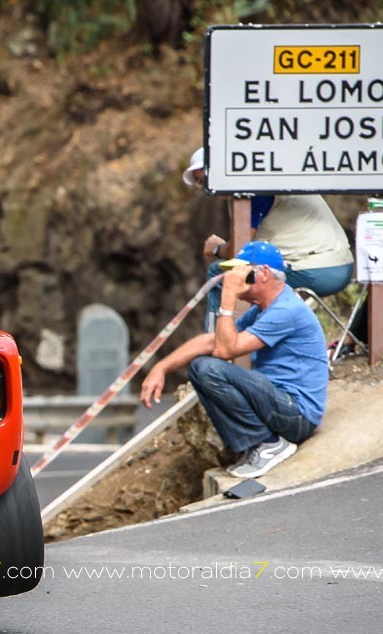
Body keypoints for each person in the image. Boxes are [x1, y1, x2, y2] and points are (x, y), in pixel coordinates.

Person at [140, 241, 328, 479]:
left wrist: (228, 297)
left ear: (262, 274)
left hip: (297, 415)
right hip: (280, 404)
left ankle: (268, 444)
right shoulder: (262, 310)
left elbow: (225, 351)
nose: (234, 278)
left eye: (242, 271)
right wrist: (161, 367)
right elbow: (211, 341)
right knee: (200, 367)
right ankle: (258, 444)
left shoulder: (286, 310)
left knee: (209, 369)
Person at [183, 147, 354, 328]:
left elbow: (239, 252)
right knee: (254, 276)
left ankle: (217, 339)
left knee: (222, 274)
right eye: (201, 184)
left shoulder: (254, 188)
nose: (207, 188)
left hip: (315, 269)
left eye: (206, 180)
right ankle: (249, 336)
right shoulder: (266, 176)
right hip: (335, 262)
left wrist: (218, 249)